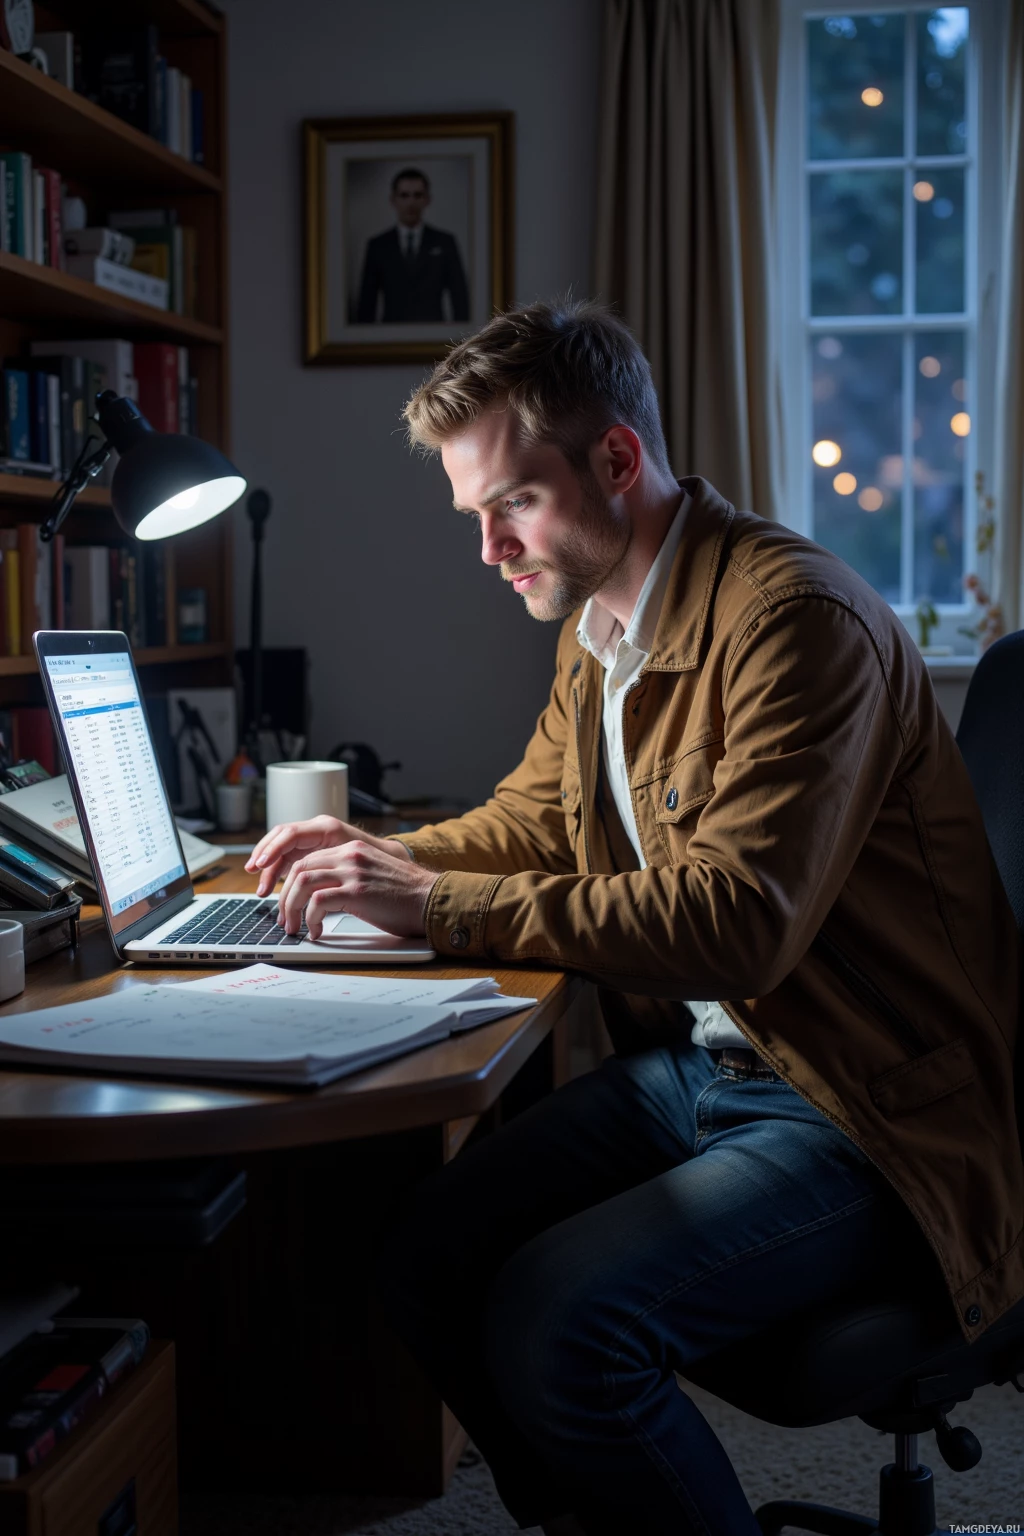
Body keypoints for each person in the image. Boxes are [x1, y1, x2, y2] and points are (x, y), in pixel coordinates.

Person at [245, 299, 1022, 1536]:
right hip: (708, 1074)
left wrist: (430, 902)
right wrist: (373, 858)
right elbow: (535, 823)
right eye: (475, 517)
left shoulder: (791, 621)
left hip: (861, 1101)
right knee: (425, 1257)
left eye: (514, 505)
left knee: (563, 1327)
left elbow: (737, 923)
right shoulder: (604, 619)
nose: (491, 548)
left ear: (616, 459)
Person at [353, 166, 470, 324]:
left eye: (417, 195)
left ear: (427, 199)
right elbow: (366, 304)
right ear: (393, 199)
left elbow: (460, 298)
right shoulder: (377, 246)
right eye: (404, 195)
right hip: (389, 336)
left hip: (435, 335)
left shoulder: (445, 242)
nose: (411, 202)